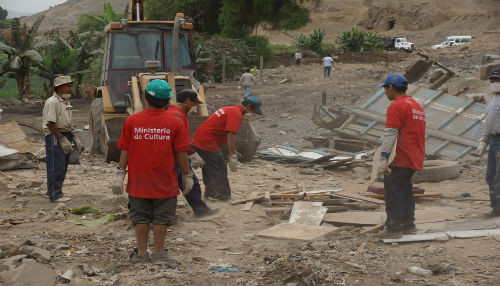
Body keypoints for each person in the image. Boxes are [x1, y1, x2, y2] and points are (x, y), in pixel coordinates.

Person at [111, 79, 193, 263]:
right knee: (162, 218)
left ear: (146, 99)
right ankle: (158, 253)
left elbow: (125, 149)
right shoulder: (176, 122)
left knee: (140, 217)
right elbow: (181, 153)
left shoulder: (132, 121)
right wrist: (187, 175)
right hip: (165, 180)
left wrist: (119, 174)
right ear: (168, 101)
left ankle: (141, 255)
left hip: (138, 180)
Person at [374, 74, 426, 238]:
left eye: (385, 89)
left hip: (400, 157)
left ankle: (394, 228)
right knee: (406, 190)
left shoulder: (397, 106)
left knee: (393, 191)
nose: (385, 92)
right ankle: (408, 225)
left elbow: (390, 134)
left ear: (390, 88)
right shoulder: (416, 105)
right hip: (414, 156)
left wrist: (383, 157)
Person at [191, 97, 263, 201]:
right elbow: (231, 136)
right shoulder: (236, 114)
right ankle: (223, 196)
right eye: (253, 110)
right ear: (247, 107)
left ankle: (210, 193)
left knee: (208, 167)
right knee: (220, 168)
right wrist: (232, 155)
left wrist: (232, 150)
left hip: (200, 139)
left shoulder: (230, 109)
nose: (253, 113)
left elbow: (224, 132)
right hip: (208, 142)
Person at [166, 89, 220, 218]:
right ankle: (166, 215)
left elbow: (182, 139)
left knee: (191, 182)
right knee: (173, 184)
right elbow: (177, 141)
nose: (195, 107)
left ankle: (200, 210)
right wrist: (191, 153)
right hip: (173, 156)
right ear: (188, 101)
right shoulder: (177, 115)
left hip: (178, 154)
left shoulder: (178, 113)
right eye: (194, 103)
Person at [42, 75, 83, 202]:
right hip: (55, 135)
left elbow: (66, 121)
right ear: (59, 88)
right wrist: (61, 139)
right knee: (56, 166)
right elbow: (50, 123)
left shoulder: (65, 101)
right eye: (68, 86)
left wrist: (73, 136)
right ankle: (55, 194)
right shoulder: (52, 102)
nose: (71, 89)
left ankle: (52, 191)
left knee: (62, 165)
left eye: (71, 86)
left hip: (65, 134)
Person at [475, 68, 500, 217]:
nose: (494, 83)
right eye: (492, 80)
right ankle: (495, 206)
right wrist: (483, 142)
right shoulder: (492, 100)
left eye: (497, 80)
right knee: (490, 176)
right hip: (493, 141)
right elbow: (489, 123)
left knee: (499, 177)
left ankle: (498, 209)